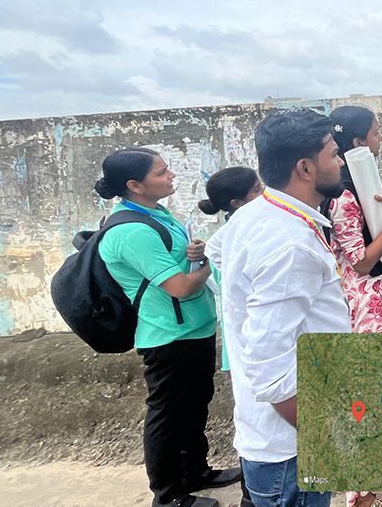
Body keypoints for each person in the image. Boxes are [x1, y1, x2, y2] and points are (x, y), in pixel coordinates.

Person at [205, 110, 351, 507]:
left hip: (277, 440)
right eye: (333, 153)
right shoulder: (291, 244)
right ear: (305, 168)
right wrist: (331, 436)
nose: (341, 162)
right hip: (292, 450)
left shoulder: (257, 213)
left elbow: (217, 252)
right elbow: (270, 370)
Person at [95, 147, 242, 507]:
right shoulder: (131, 231)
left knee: (194, 405)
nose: (171, 176)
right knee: (167, 415)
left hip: (194, 328)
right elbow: (180, 287)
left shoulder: (155, 213)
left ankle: (196, 472)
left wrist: (199, 251)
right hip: (168, 336)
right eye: (161, 172)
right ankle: (168, 495)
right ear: (135, 185)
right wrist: (210, 262)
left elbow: (180, 261)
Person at [325, 105, 382, 507]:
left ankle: (381, 488)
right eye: (376, 133)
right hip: (362, 304)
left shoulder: (358, 185)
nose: (380, 139)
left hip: (371, 298)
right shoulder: (344, 196)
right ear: (358, 142)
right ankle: (364, 493)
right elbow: (360, 261)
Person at [197, 166, 265, 507]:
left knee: (254, 410)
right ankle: (252, 495)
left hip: (246, 335)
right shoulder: (235, 236)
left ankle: (254, 493)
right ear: (237, 202)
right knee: (255, 411)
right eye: (256, 190)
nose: (263, 193)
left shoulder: (236, 231)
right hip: (249, 336)